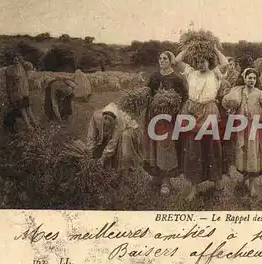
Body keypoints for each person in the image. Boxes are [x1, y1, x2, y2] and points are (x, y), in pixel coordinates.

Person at [179, 45, 230, 201]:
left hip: (209, 110)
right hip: (192, 112)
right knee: (193, 149)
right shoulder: (191, 74)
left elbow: (225, 63)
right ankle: (194, 188)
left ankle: (218, 186)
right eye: (198, 61)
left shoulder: (215, 74)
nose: (200, 64)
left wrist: (213, 48)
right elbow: (177, 61)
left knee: (212, 147)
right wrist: (191, 46)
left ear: (209, 61)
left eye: (203, 61)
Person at [223, 68, 262, 197]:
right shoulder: (239, 92)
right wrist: (231, 111)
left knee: (253, 154)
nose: (251, 80)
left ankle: (252, 184)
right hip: (242, 128)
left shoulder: (260, 94)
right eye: (249, 77)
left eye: (254, 78)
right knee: (243, 152)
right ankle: (245, 176)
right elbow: (234, 107)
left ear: (256, 80)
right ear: (244, 78)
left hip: (254, 128)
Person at [144, 51, 189, 196]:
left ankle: (166, 181)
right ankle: (156, 176)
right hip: (153, 117)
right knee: (153, 145)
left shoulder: (177, 78)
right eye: (160, 58)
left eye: (165, 58)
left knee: (166, 147)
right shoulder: (154, 77)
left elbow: (184, 98)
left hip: (169, 120)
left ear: (171, 61)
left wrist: (173, 106)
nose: (162, 60)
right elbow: (147, 93)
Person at [86, 103, 144, 173]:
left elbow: (113, 143)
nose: (107, 122)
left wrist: (103, 159)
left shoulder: (119, 122)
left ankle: (127, 168)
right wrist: (90, 153)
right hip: (115, 129)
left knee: (124, 137)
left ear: (114, 120)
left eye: (110, 120)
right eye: (105, 118)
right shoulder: (96, 117)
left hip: (131, 130)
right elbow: (91, 136)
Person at [3, 54, 38, 131]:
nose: (16, 61)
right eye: (14, 59)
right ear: (11, 60)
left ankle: (34, 123)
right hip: (17, 93)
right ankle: (28, 126)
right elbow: (14, 78)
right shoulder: (10, 69)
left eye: (17, 59)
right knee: (23, 110)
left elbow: (30, 66)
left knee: (28, 108)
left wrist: (23, 61)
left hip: (24, 91)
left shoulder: (22, 66)